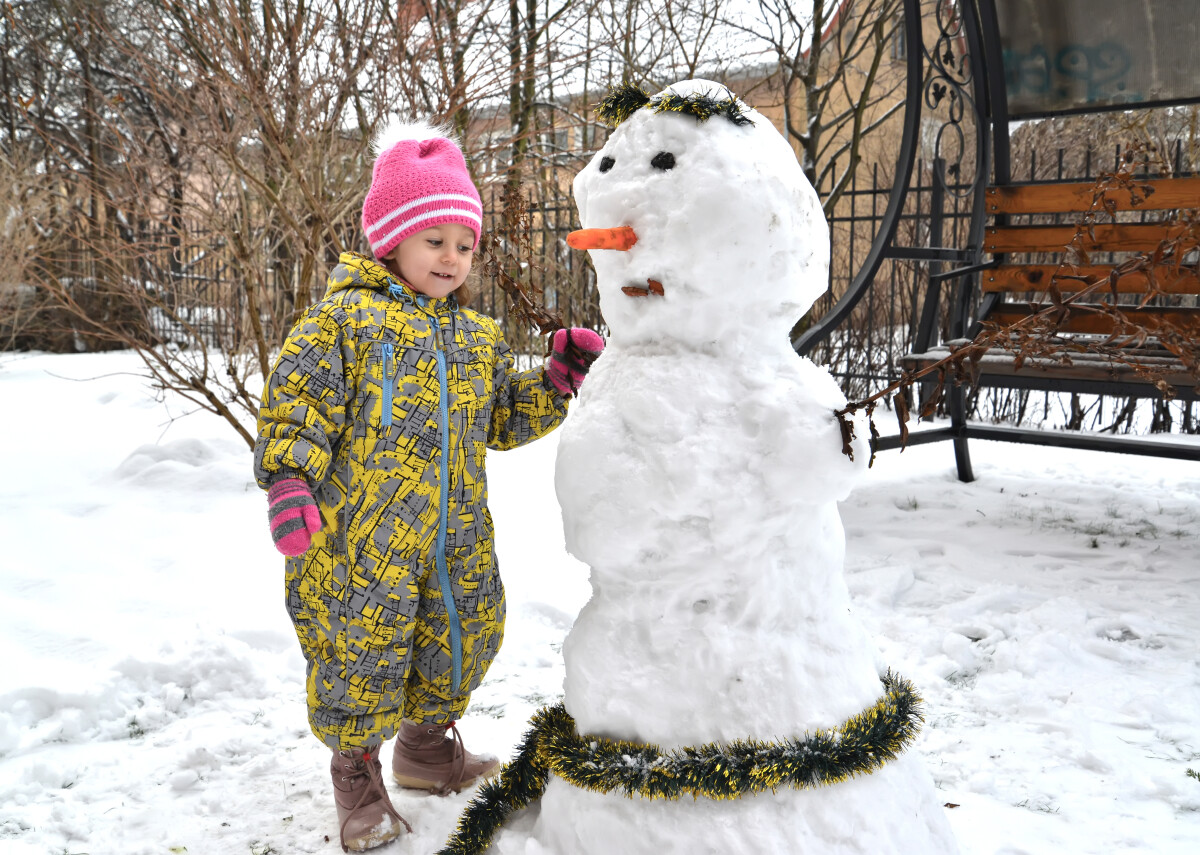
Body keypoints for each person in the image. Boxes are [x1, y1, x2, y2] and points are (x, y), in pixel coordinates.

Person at [253, 120, 604, 852]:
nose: (452, 257)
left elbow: (499, 417)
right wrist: (290, 480)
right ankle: (356, 769)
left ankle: (424, 748)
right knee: (361, 655)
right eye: (434, 239)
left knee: (462, 635)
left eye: (465, 244)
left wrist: (551, 380)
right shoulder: (342, 324)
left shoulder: (473, 336)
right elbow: (299, 404)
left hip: (453, 539)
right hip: (361, 545)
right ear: (392, 239)